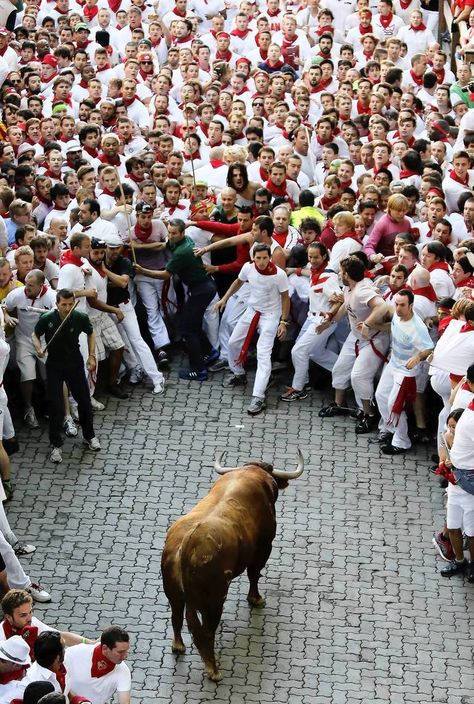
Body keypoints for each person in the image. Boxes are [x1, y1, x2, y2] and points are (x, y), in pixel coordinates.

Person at [133, 219, 217, 382]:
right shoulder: (184, 240)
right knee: (193, 324)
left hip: (201, 290)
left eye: (174, 233)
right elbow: (165, 244)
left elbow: (165, 275)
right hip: (202, 287)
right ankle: (210, 353)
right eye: (169, 232)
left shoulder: (182, 252)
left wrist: (143, 270)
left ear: (182, 233)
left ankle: (198, 370)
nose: (170, 236)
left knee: (188, 329)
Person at [217, 243, 290, 415]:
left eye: (265, 258)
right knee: (233, 342)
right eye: (259, 258)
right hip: (252, 310)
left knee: (263, 353)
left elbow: (285, 298)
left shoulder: (279, 275)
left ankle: (258, 396)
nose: (262, 262)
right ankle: (238, 374)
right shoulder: (248, 268)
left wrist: (283, 321)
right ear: (253, 258)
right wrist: (224, 299)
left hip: (270, 315)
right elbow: (238, 282)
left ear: (270, 257)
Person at [319, 256, 389, 434]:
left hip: (374, 339)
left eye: (342, 272)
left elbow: (382, 307)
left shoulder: (362, 290)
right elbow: (346, 305)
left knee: (359, 376)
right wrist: (330, 320)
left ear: (348, 274)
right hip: (357, 337)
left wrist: (367, 324)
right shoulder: (350, 287)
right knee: (340, 369)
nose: (340, 274)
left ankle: (369, 414)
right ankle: (339, 404)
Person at [32, 289, 101, 464]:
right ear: (57, 304)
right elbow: (35, 334)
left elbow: (91, 332)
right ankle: (56, 445)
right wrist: (39, 348)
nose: (67, 308)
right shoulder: (47, 319)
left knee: (84, 401)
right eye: (64, 305)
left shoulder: (80, 317)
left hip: (75, 364)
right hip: (54, 366)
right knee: (55, 406)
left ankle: (89, 436)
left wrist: (92, 355)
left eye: (70, 304)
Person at [375, 289, 434, 454]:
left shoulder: (418, 327)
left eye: (402, 305)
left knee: (395, 406)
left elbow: (429, 348)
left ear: (411, 306)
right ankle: (393, 431)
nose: (398, 308)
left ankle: (402, 441)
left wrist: (417, 358)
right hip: (393, 364)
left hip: (406, 372)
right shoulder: (396, 315)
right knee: (380, 396)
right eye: (397, 304)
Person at [64, 626, 131, 704]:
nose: (126, 656)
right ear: (105, 649)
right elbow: (57, 679)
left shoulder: (123, 671)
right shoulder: (76, 653)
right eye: (120, 652)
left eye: (126, 651)